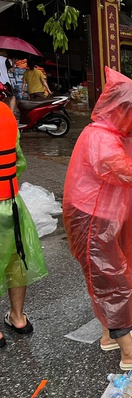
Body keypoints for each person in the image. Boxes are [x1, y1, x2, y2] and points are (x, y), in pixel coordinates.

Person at [63, 67, 132, 370]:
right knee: (112, 281)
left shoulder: (117, 135)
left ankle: (109, 335)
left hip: (104, 218)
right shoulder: (100, 138)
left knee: (108, 277)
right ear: (125, 111)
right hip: (91, 219)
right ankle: (128, 351)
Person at [0, 93, 48, 349]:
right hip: (11, 203)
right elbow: (19, 162)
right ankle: (18, 318)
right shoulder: (6, 114)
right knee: (15, 260)